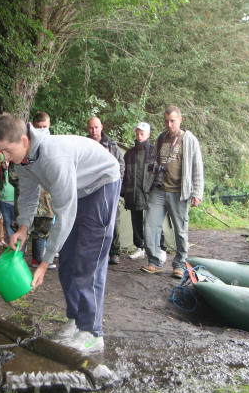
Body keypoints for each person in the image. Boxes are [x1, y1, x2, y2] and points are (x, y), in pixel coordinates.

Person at [0, 113, 120, 354]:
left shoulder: (52, 156)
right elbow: (29, 195)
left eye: (7, 151)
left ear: (23, 140)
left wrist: (43, 262)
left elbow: (65, 213)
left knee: (87, 262)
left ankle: (92, 332)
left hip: (101, 185)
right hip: (78, 190)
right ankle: (76, 321)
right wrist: (23, 227)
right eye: (2, 152)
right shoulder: (26, 159)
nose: (5, 158)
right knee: (68, 260)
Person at [143, 106, 203, 279]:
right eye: (166, 121)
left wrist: (197, 193)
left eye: (172, 121)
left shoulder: (189, 139)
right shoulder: (161, 138)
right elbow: (154, 160)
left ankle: (179, 264)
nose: (169, 125)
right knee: (150, 225)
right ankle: (154, 262)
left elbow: (197, 167)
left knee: (180, 230)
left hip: (179, 192)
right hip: (159, 189)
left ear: (180, 120)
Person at [123, 122, 166, 262]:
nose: (139, 136)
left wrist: (155, 189)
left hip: (150, 193)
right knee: (135, 221)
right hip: (133, 193)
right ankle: (139, 248)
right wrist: (124, 191)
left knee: (154, 221)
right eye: (137, 133)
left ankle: (161, 247)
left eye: (142, 133)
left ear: (148, 135)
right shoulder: (129, 154)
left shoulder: (154, 152)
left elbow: (160, 174)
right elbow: (123, 175)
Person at [86, 116, 125, 265]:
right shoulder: (84, 144)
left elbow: (121, 165)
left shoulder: (111, 146)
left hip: (109, 187)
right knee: (90, 220)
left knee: (113, 219)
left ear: (101, 127)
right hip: (89, 188)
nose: (94, 130)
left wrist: (116, 182)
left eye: (96, 127)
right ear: (87, 129)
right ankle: (93, 251)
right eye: (91, 127)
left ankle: (114, 252)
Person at [30, 111, 56, 270]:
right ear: (33, 126)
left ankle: (38, 259)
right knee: (24, 228)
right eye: (38, 127)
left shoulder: (53, 144)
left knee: (43, 228)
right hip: (30, 196)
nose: (41, 130)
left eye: (44, 127)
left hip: (47, 197)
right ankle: (17, 261)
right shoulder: (27, 144)